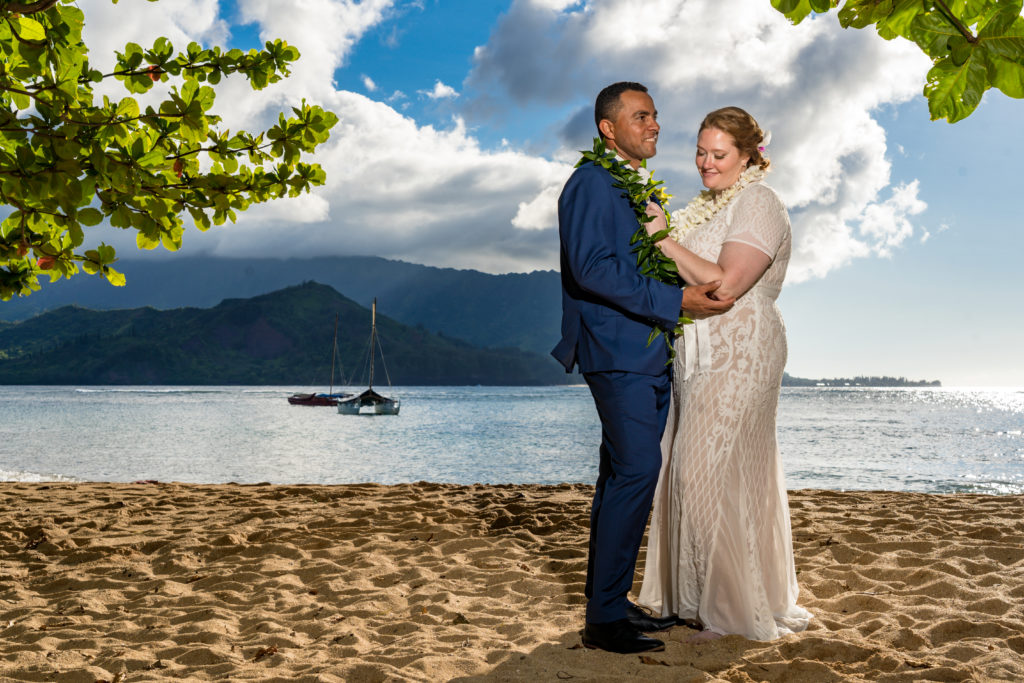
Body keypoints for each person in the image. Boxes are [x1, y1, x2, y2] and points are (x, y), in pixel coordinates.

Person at [551, 82, 734, 654]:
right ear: (608, 129)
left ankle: (610, 602)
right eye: (640, 116)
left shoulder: (631, 185)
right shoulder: (591, 182)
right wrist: (677, 301)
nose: (653, 125)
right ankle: (603, 620)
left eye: (655, 115)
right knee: (637, 472)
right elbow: (591, 269)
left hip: (647, 351)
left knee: (621, 477)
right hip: (616, 350)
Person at [636, 106, 812, 641]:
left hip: (741, 347)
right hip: (695, 353)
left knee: (704, 469)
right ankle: (695, 600)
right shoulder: (708, 208)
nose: (706, 163)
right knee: (695, 470)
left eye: (719, 154)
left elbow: (726, 285)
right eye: (700, 152)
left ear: (749, 157)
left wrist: (662, 239)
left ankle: (729, 608)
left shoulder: (760, 201)